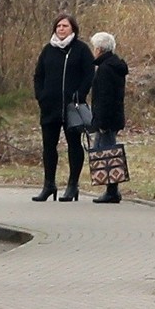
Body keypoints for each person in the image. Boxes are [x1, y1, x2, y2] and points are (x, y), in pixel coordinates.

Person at [32, 13, 95, 202]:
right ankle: (49, 184)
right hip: (50, 106)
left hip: (71, 107)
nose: (61, 29)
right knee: (49, 146)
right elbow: (38, 75)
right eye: (58, 26)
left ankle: (72, 185)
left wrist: (80, 94)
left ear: (73, 29)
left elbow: (89, 73)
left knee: (74, 145)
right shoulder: (48, 50)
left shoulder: (81, 49)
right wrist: (41, 96)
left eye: (65, 26)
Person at [89, 32, 128, 204]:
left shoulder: (105, 69)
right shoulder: (114, 66)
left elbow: (104, 98)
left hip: (107, 118)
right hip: (114, 116)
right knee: (106, 151)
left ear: (99, 49)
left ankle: (112, 190)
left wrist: (101, 122)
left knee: (107, 153)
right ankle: (111, 189)